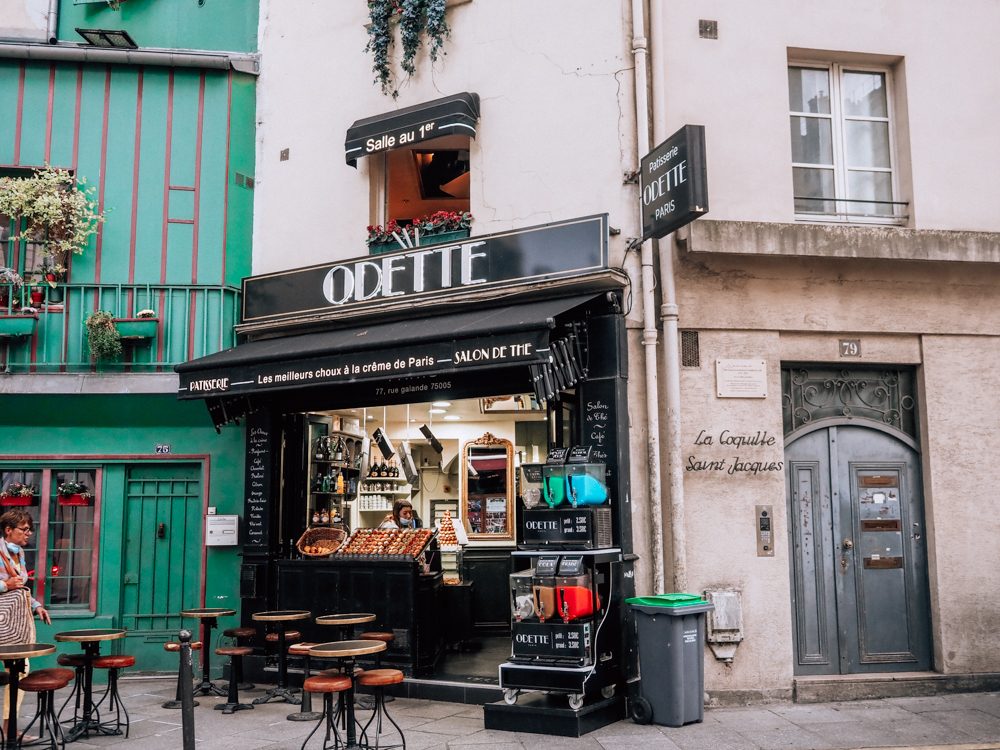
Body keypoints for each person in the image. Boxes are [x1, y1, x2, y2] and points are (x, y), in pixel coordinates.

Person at [0, 509, 51, 740]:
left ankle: (9, 729)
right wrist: (5, 585)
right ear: (8, 530)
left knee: (19, 672)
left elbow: (19, 589)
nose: (28, 533)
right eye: (24, 529)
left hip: (14, 626)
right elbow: (11, 586)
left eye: (30, 529)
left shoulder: (19, 553)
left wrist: (36, 605)